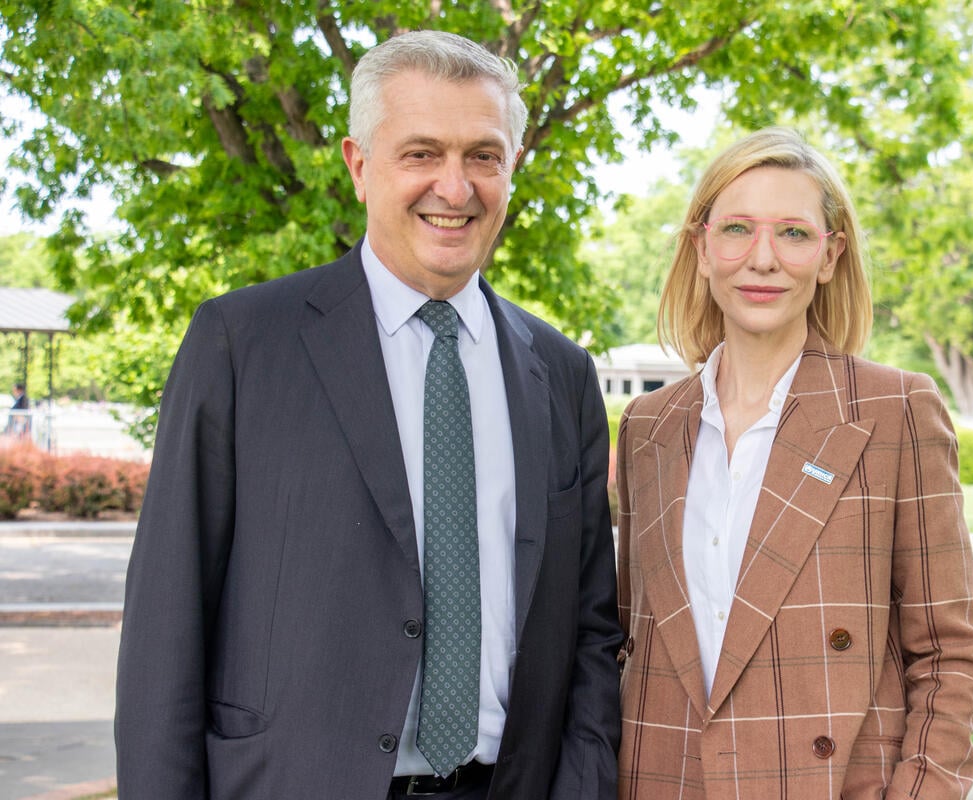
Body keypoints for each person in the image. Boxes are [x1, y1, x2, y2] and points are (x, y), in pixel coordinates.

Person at [116, 30, 622, 800]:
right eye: (422, 153)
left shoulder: (561, 372)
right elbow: (167, 621)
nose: (455, 187)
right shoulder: (241, 344)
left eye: (483, 156)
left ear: (512, 169)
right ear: (358, 165)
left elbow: (589, 631)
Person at [615, 128, 973, 799]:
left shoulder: (894, 411)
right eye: (736, 229)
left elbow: (951, 655)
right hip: (660, 782)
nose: (762, 259)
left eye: (793, 233)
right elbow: (623, 641)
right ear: (701, 248)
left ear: (829, 255)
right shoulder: (647, 426)